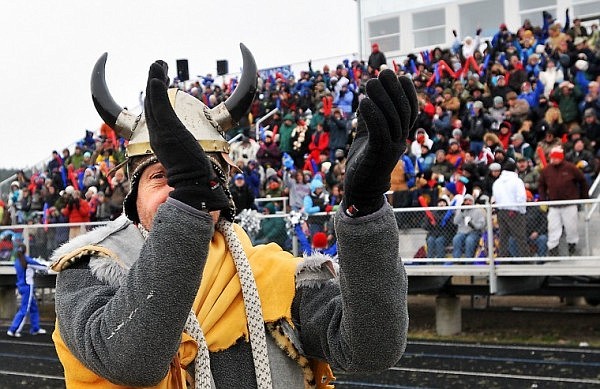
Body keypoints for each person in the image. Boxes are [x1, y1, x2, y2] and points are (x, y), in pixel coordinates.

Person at [50, 50, 414, 388]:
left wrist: (363, 210)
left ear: (219, 190)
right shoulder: (88, 270)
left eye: (194, 179)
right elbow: (130, 360)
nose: (178, 191)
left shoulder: (272, 274)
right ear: (134, 192)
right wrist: (189, 204)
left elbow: (372, 348)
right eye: (161, 176)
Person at [538, 146, 589, 256]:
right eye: (552, 157)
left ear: (561, 157)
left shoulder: (571, 168)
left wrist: (584, 197)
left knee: (571, 227)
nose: (554, 159)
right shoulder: (546, 170)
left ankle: (572, 246)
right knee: (553, 227)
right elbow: (541, 184)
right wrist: (543, 199)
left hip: (569, 204)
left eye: (556, 157)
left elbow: (582, 181)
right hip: (554, 205)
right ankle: (553, 249)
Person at [7, 243, 48, 337]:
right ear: (25, 250)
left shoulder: (17, 261)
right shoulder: (27, 260)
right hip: (27, 287)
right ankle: (13, 329)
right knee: (24, 309)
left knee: (33, 307)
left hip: (21, 286)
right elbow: (42, 266)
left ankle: (35, 328)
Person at [492, 161, 528, 258]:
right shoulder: (517, 181)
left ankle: (503, 259)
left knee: (503, 238)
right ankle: (526, 260)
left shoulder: (497, 182)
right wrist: (522, 210)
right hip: (514, 211)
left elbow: (495, 197)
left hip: (501, 211)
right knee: (520, 237)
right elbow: (521, 198)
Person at [452, 194, 485, 259]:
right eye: (466, 201)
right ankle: (457, 260)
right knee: (456, 239)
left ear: (473, 202)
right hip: (462, 232)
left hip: (474, 232)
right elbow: (455, 222)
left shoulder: (478, 210)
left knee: (469, 240)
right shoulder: (460, 210)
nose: (467, 202)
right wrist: (461, 212)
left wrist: (472, 224)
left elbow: (482, 224)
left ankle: (469, 259)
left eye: (470, 201)